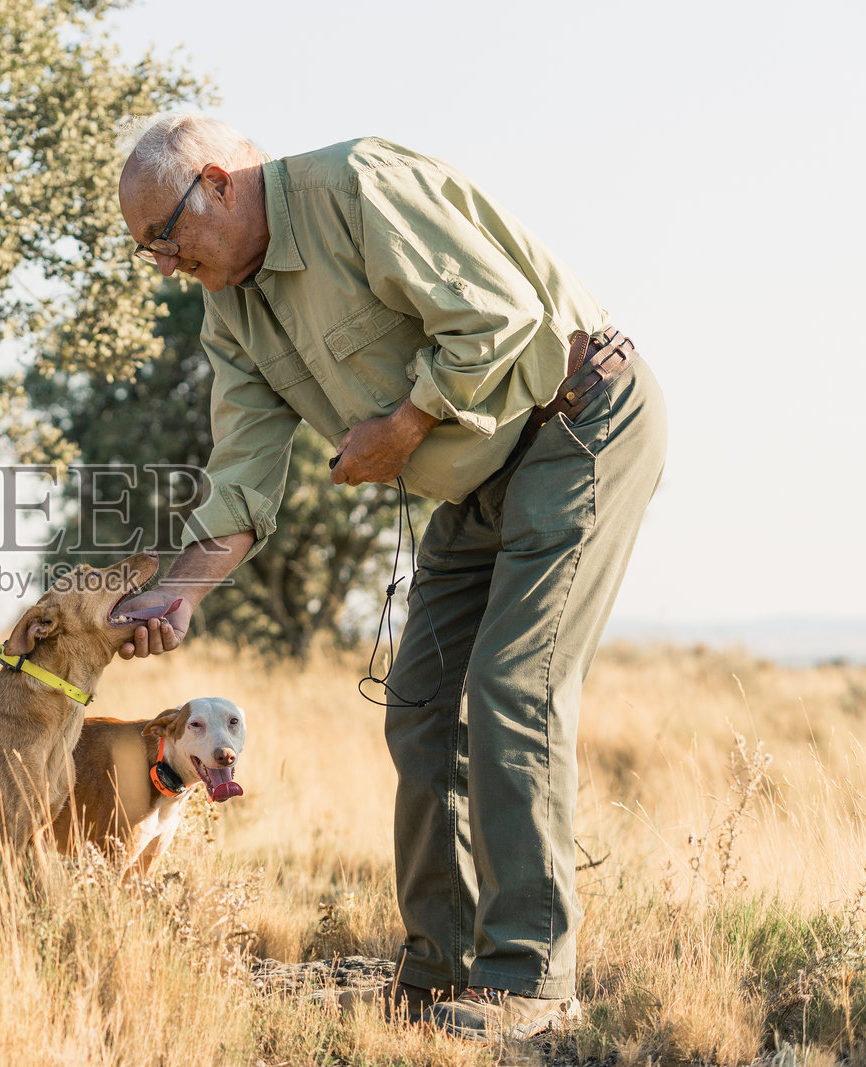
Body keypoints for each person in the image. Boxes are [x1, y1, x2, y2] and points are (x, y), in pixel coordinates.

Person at [110, 113, 667, 1042]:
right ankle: (439, 970)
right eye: (145, 251)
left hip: (576, 422)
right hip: (476, 484)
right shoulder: (229, 311)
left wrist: (404, 428)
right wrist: (181, 594)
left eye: (164, 237)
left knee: (511, 688)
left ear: (215, 181)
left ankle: (529, 982)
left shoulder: (357, 188)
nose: (163, 265)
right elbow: (244, 472)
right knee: (417, 704)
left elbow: (500, 317)